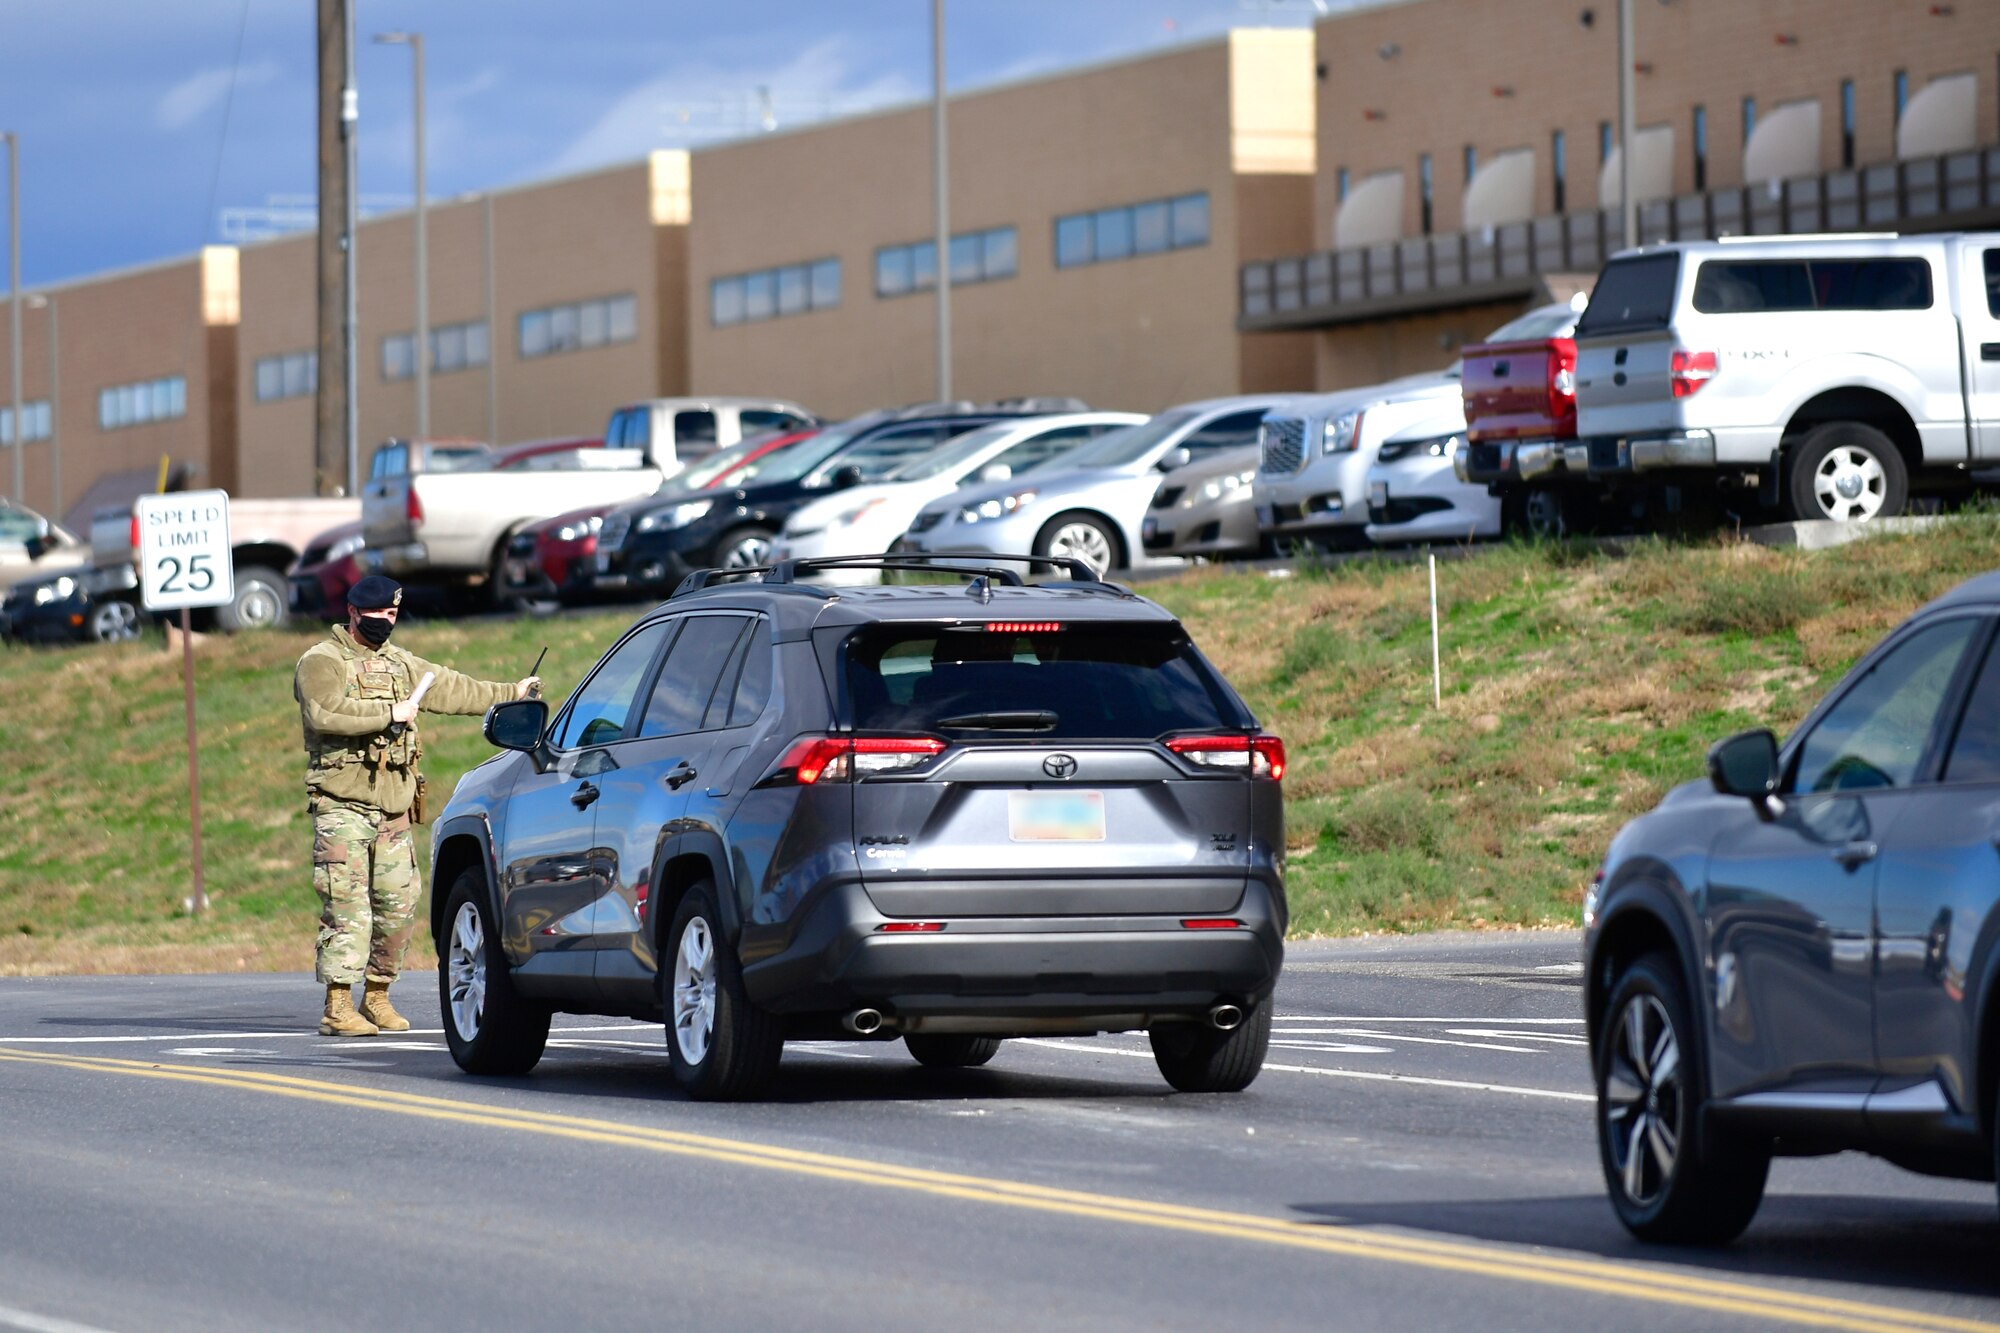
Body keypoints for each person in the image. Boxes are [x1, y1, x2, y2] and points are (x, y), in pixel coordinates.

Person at [293, 575, 540, 1036]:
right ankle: (338, 1004)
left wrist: (513, 693)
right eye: (377, 614)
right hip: (342, 805)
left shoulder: (401, 664)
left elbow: (454, 688)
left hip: (394, 808)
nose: (385, 622)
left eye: (392, 614)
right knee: (347, 909)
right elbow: (323, 712)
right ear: (352, 612)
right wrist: (389, 713)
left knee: (398, 907)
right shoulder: (322, 661)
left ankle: (377, 996)